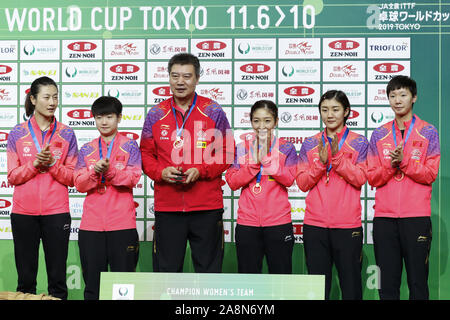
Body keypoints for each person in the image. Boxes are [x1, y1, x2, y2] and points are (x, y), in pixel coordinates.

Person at [140, 53, 234, 273]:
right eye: (175, 76)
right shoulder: (156, 114)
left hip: (207, 207)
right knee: (166, 273)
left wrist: (200, 171)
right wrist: (160, 172)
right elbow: (145, 153)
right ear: (169, 78)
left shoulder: (213, 110)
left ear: (197, 78)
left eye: (187, 76)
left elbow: (228, 151)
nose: (180, 82)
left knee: (209, 272)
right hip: (168, 207)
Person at [367, 75, 440, 300]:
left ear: (414, 97)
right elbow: (372, 177)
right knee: (386, 284)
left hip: (416, 217)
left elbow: (430, 174)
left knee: (418, 283)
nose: (397, 100)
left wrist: (405, 162)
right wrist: (391, 165)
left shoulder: (428, 132)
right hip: (384, 219)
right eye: (392, 95)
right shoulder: (379, 134)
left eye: (403, 94)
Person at [6, 76, 78, 300]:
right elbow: (12, 176)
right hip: (23, 214)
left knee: (57, 278)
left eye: (55, 97)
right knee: (25, 279)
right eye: (46, 97)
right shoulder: (17, 133)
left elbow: (73, 177)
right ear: (33, 99)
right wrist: (35, 164)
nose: (52, 102)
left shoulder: (66, 133)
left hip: (56, 213)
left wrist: (53, 165)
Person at [296, 90, 368, 300]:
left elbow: (360, 178)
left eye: (335, 109)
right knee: (317, 290)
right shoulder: (310, 143)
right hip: (315, 226)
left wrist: (336, 158)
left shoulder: (359, 142)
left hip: (347, 226)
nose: (329, 114)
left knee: (351, 286)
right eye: (324, 109)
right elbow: (302, 183)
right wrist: (321, 163)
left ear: (346, 112)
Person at [74, 96, 141, 300]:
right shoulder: (87, 149)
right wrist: (94, 172)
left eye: (109, 117)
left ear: (119, 118)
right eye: (99, 117)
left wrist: (110, 171)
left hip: (122, 225)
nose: (104, 122)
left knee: (124, 288)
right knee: (93, 287)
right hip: (91, 227)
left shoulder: (130, 146)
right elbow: (79, 183)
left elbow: (133, 178)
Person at [225, 100, 297, 274]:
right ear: (251, 122)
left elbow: (289, 179)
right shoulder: (241, 148)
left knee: (281, 279)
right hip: (247, 224)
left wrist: (266, 160)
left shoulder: (287, 148)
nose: (261, 126)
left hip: (278, 223)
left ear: (276, 121)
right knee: (248, 280)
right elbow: (233, 182)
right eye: (256, 121)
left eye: (267, 120)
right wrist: (254, 164)